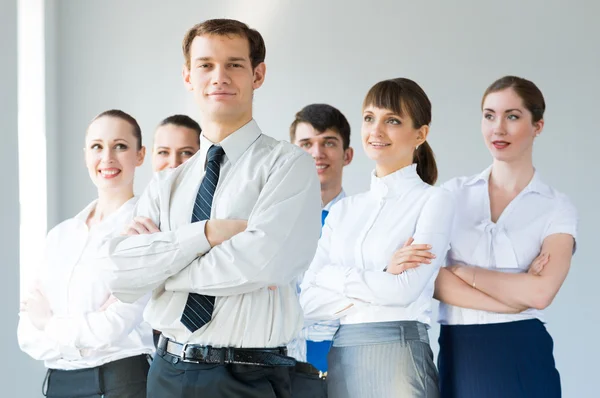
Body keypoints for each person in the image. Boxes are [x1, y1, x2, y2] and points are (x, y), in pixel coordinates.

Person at [97, 19, 321, 397]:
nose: (219, 76)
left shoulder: (288, 165)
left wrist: (161, 270)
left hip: (248, 375)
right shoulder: (168, 182)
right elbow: (120, 274)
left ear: (258, 74)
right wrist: (205, 235)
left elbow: (261, 263)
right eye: (205, 65)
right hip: (166, 371)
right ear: (188, 76)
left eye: (234, 64)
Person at [300, 78, 454, 398]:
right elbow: (307, 301)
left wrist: (333, 278)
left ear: (420, 134)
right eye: (369, 118)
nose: (376, 130)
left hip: (399, 354)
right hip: (342, 356)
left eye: (392, 121)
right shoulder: (344, 211)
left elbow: (404, 291)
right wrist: (382, 276)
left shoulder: (433, 201)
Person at [433, 76, 578, 398]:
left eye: (512, 116)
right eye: (489, 115)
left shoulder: (556, 206)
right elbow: (430, 280)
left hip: (524, 351)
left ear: (537, 125)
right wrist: (515, 297)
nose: (498, 128)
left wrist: (465, 273)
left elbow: (541, 294)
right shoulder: (452, 195)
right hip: (461, 351)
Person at [18, 110, 154, 397]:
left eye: (120, 146)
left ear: (140, 155)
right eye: (97, 146)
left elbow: (114, 326)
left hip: (120, 382)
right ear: (85, 155)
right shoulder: (59, 236)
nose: (107, 158)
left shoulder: (144, 231)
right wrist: (78, 335)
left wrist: (49, 322)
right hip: (59, 384)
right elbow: (27, 333)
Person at [288, 103, 353, 395]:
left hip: (346, 364)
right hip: (281, 366)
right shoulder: (269, 222)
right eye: (306, 144)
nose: (317, 153)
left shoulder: (363, 222)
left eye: (329, 142)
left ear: (347, 154)